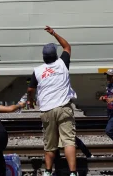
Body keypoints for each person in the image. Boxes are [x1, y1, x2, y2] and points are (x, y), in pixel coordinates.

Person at [27, 26, 77, 176]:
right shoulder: (63, 63)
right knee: (68, 141)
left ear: (43, 57)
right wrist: (54, 33)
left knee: (49, 144)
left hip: (47, 110)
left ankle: (48, 172)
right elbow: (67, 46)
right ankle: (73, 173)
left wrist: (31, 101)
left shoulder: (38, 71)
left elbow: (30, 90)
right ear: (55, 55)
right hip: (63, 107)